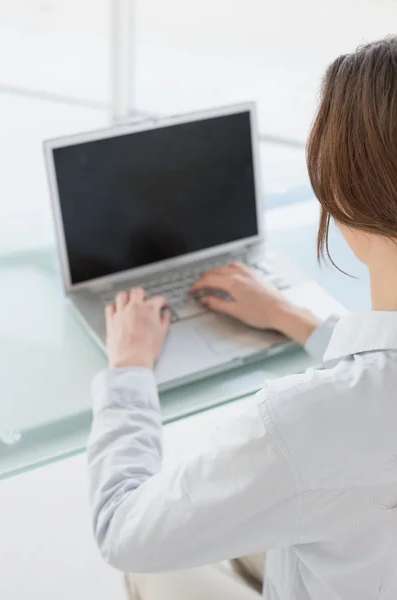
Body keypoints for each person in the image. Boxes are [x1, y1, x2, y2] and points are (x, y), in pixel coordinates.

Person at [87, 37, 397, 600]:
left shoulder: (300, 424)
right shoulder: (343, 418)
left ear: (346, 196)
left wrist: (128, 372)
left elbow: (122, 529)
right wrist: (298, 319)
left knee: (155, 567)